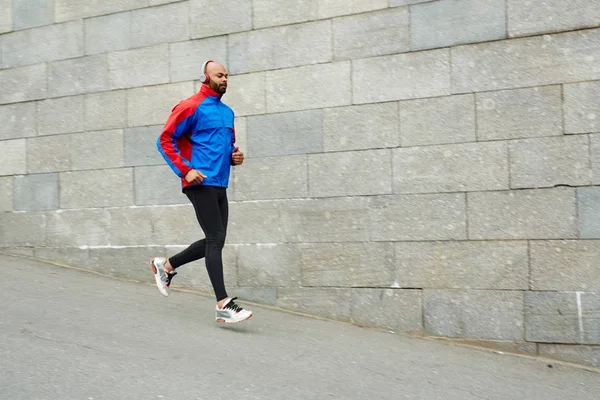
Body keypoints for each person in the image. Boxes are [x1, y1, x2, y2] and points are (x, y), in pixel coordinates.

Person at [151, 60, 252, 324]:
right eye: (219, 75)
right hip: (199, 180)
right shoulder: (190, 106)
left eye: (227, 75)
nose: (225, 79)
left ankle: (167, 266)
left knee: (214, 240)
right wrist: (185, 170)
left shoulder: (228, 112)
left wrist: (234, 156)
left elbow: (227, 146)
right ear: (205, 77)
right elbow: (165, 140)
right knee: (216, 237)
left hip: (220, 182)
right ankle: (223, 303)